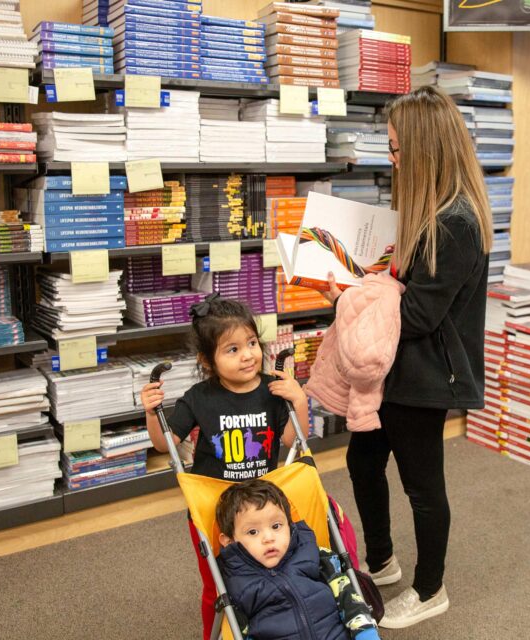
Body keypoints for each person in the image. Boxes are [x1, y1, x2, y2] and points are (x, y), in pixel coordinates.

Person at [322, 86, 492, 629]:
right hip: (391, 366)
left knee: (422, 485)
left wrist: (350, 296)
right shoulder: (427, 210)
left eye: (396, 149)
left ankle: (430, 588)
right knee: (363, 460)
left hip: (423, 373)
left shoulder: (455, 222)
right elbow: (404, 288)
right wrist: (370, 282)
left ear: (424, 150)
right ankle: (381, 562)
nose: (390, 158)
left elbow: (417, 316)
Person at [141, 293, 310, 639]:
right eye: (232, 350)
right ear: (207, 360)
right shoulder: (199, 397)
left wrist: (300, 401)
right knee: (218, 587)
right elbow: (165, 444)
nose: (247, 354)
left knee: (269, 574)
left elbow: (296, 441)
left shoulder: (272, 390)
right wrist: (150, 412)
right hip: (212, 510)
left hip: (263, 510)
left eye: (251, 343)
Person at [216, 478, 379, 640]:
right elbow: (241, 632)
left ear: (289, 525)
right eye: (253, 532)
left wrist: (366, 634)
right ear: (229, 541)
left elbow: (348, 597)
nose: (268, 538)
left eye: (276, 526)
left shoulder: (313, 554)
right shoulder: (235, 581)